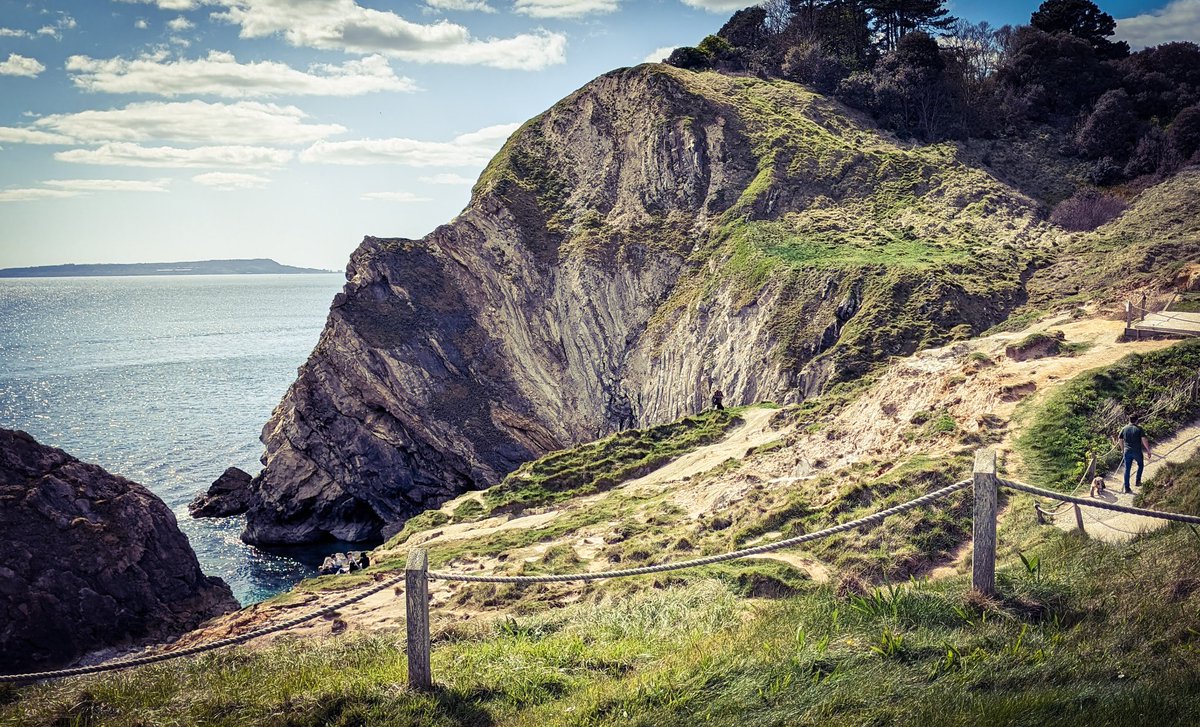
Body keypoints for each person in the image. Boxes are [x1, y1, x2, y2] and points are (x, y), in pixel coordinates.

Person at [1114, 414, 1153, 494]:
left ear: (1129, 420)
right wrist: (1148, 450)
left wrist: (1122, 449)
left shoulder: (1124, 428)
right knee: (1140, 465)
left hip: (1127, 451)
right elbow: (1144, 439)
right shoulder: (1139, 429)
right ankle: (1138, 481)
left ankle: (1127, 488)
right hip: (1137, 451)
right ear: (1137, 420)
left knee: (1127, 469)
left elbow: (1120, 439)